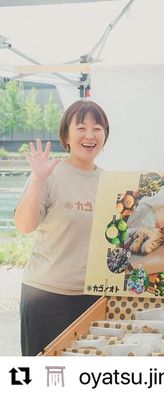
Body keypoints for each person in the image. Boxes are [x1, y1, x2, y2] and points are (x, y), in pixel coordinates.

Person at [14, 100, 110, 355]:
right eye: (81, 127)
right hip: (46, 296)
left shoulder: (110, 182)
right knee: (45, 378)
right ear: (66, 135)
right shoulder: (50, 174)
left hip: (94, 298)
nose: (90, 135)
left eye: (97, 128)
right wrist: (37, 179)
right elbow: (25, 226)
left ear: (105, 136)